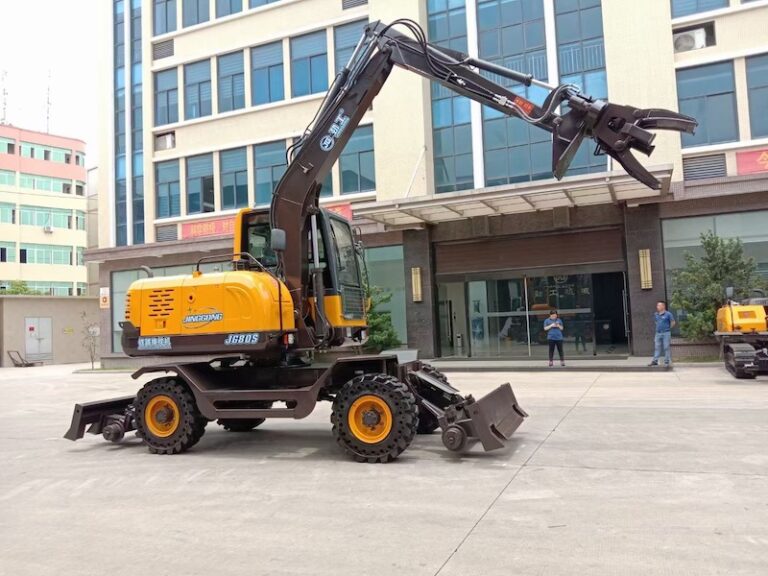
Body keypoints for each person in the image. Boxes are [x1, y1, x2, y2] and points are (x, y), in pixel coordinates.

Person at [650, 300, 676, 366]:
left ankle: (666, 361)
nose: (657, 306)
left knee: (666, 347)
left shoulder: (668, 314)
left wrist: (668, 328)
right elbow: (656, 322)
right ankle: (655, 361)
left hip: (666, 333)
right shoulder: (656, 314)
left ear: (663, 306)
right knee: (657, 347)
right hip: (658, 333)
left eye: (659, 305)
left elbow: (673, 322)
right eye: (657, 305)